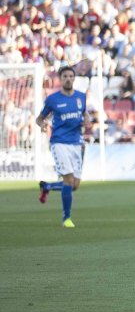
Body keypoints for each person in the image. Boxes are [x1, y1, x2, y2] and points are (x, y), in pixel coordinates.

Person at [36, 65, 94, 228]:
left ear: (74, 78)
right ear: (60, 79)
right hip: (59, 142)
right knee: (68, 180)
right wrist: (43, 125)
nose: (68, 78)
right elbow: (39, 118)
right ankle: (66, 218)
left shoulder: (81, 97)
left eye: (70, 76)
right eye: (65, 76)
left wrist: (87, 120)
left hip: (77, 143)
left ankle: (47, 186)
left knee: (74, 185)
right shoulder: (52, 99)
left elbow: (85, 114)